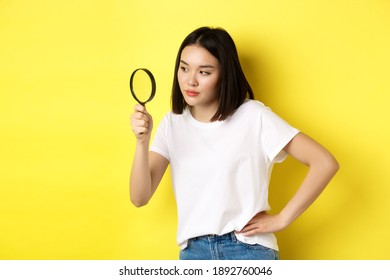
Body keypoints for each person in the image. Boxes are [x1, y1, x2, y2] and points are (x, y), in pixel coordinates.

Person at [129, 26, 339, 260]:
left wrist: (283, 218)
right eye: (184, 68)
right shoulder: (172, 123)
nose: (190, 81)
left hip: (247, 249)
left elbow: (324, 162)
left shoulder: (253, 116)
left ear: (224, 74)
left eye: (204, 72)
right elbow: (139, 197)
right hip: (193, 254)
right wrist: (142, 142)